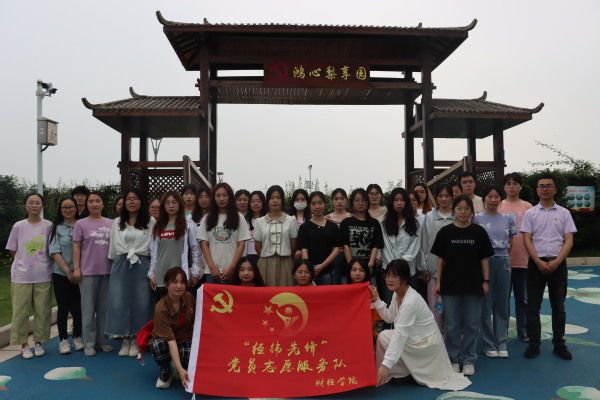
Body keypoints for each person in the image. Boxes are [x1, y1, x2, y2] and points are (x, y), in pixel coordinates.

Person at [371, 259, 471, 390]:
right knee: (384, 336)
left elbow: (400, 335)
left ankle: (395, 372)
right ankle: (402, 373)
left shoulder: (410, 301)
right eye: (387, 275)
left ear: (405, 278)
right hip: (415, 340)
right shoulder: (397, 294)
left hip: (426, 345)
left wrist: (385, 365)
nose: (389, 279)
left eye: (394, 276)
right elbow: (390, 317)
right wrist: (377, 300)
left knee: (390, 337)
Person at [431, 194, 493, 376]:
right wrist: (438, 282)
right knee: (451, 325)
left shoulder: (479, 232)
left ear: (472, 211)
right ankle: (454, 359)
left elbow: (484, 259)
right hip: (450, 286)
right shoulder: (445, 232)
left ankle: (468, 360)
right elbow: (440, 260)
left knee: (472, 324)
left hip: (474, 285)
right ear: (454, 211)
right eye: (459, 209)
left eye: (466, 209)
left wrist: (486, 281)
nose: (463, 212)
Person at [521, 174, 577, 360]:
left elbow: (568, 239)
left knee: (558, 306)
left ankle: (559, 344)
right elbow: (527, 239)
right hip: (535, 264)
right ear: (537, 190)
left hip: (558, 264)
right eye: (542, 186)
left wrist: (557, 261)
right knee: (533, 306)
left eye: (549, 186)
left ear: (555, 189)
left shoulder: (564, 213)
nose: (545, 189)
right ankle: (534, 344)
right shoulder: (531, 213)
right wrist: (538, 261)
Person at [106, 189, 155, 357]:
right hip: (121, 262)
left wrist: (152, 269)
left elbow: (153, 245)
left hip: (142, 263)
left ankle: (136, 338)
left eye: (135, 198)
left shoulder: (150, 221)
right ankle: (125, 338)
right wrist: (114, 265)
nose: (132, 201)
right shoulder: (117, 222)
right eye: (129, 199)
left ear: (141, 202)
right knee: (120, 301)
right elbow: (113, 246)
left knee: (141, 302)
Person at [5, 193, 53, 359]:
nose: (34, 205)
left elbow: (51, 249)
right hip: (21, 276)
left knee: (42, 310)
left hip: (43, 274)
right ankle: (24, 345)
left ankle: (39, 342)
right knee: (20, 311)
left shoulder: (48, 226)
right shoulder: (18, 226)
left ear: (42, 206)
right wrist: (23, 262)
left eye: (37, 202)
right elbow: (12, 249)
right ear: (25, 205)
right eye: (31, 202)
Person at [474, 186, 516, 358]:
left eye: (496, 196)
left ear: (500, 199)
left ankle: (502, 342)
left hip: (503, 261)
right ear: (484, 199)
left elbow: (511, 241)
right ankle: (489, 343)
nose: (493, 200)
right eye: (489, 196)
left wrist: (503, 255)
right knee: (485, 304)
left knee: (502, 303)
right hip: (484, 262)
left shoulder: (508, 218)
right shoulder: (476, 218)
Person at [72, 191, 114, 356]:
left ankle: (103, 341)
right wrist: (77, 268)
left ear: (103, 204)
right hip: (88, 272)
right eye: (91, 201)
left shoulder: (111, 223)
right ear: (87, 204)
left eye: (98, 201)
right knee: (88, 310)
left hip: (108, 272)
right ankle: (88, 343)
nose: (94, 204)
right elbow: (76, 246)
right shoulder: (80, 224)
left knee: (104, 310)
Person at [498, 172, 533, 342]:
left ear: (521, 186)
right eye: (508, 184)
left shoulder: (528, 207)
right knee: (502, 299)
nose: (511, 187)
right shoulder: (498, 205)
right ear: (504, 187)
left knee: (523, 299)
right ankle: (501, 331)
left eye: (515, 183)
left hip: (523, 259)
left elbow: (533, 232)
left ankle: (523, 331)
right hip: (501, 260)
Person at [150, 267, 195, 389]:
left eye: (182, 282)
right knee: (159, 346)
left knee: (193, 356)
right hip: (168, 341)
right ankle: (166, 370)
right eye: (175, 282)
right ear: (166, 284)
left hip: (185, 339)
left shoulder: (189, 297)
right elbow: (171, 341)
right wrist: (180, 369)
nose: (179, 286)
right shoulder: (161, 308)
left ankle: (183, 367)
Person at [48, 197, 83, 355]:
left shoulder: (82, 225)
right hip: (61, 273)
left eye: (71, 207)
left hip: (80, 273)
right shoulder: (56, 228)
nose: (68, 210)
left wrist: (77, 270)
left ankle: (77, 336)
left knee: (78, 307)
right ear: (60, 210)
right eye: (65, 207)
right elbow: (54, 251)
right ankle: (63, 340)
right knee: (63, 307)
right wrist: (68, 271)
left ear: (76, 208)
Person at [149, 192, 201, 296]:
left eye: (174, 202)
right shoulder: (158, 226)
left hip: (180, 278)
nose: (171, 206)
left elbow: (195, 250)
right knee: (162, 305)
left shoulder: (188, 225)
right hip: (161, 276)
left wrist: (195, 273)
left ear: (180, 204)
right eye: (167, 203)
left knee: (180, 305)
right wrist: (151, 273)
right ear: (163, 206)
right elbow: (154, 252)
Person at [198, 183, 250, 283]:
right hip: (211, 272)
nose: (221, 199)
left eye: (225, 195)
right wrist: (212, 267)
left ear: (230, 197)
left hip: (233, 271)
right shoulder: (207, 218)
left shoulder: (239, 217)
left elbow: (241, 244)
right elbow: (204, 244)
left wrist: (232, 267)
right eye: (218, 195)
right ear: (214, 198)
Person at [420, 183, 454, 328]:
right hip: (433, 271)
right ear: (436, 197)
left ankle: (451, 340)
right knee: (435, 310)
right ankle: (437, 340)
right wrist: (424, 267)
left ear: (452, 197)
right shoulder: (429, 217)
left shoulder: (458, 215)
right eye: (440, 196)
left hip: (454, 271)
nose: (444, 199)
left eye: (447, 196)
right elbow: (424, 244)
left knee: (452, 311)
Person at [379, 188, 421, 304]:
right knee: (391, 305)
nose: (399, 203)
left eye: (402, 200)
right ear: (391, 202)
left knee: (409, 305)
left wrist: (401, 265)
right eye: (396, 200)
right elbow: (385, 248)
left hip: (408, 272)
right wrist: (393, 267)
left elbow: (414, 247)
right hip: (389, 273)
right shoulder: (383, 224)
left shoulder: (415, 223)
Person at [254, 185, 298, 286]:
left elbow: (293, 246)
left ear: (282, 200)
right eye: (272, 198)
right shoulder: (260, 222)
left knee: (285, 291)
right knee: (266, 292)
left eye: (278, 198)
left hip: (286, 262)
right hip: (265, 263)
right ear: (267, 201)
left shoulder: (291, 220)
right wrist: (266, 256)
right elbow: (257, 247)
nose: (275, 201)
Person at [297, 191, 341, 285]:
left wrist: (322, 266)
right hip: (310, 273)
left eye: (320, 203)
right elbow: (304, 250)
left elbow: (336, 249)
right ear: (309, 206)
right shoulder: (304, 227)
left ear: (325, 204)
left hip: (328, 271)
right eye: (313, 204)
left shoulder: (332, 226)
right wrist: (309, 269)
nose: (317, 206)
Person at [339, 188, 384, 278]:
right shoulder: (346, 222)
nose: (360, 203)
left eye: (364, 200)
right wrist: (352, 266)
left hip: (369, 268)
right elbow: (345, 245)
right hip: (349, 269)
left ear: (367, 203)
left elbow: (376, 246)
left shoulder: (374, 223)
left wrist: (370, 264)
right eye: (357, 200)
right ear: (352, 203)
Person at [245, 190, 267, 265]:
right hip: (247, 256)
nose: (256, 203)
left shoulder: (268, 220)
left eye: (258, 201)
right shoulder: (244, 220)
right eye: (253, 201)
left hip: (264, 255)